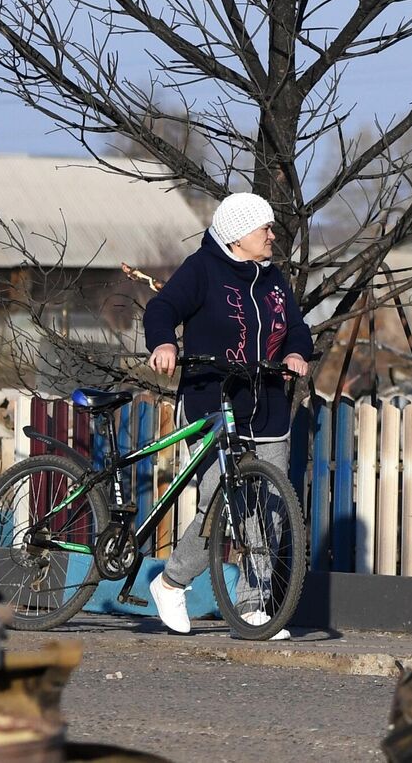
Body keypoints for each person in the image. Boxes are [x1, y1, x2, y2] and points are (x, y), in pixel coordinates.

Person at [141, 191, 312, 638]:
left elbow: (296, 327)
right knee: (221, 507)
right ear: (238, 236)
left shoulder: (273, 278)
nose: (272, 236)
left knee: (271, 510)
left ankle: (253, 608)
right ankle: (172, 581)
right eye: (265, 229)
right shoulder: (202, 269)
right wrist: (163, 343)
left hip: (269, 406)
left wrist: (296, 352)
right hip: (214, 403)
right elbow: (162, 308)